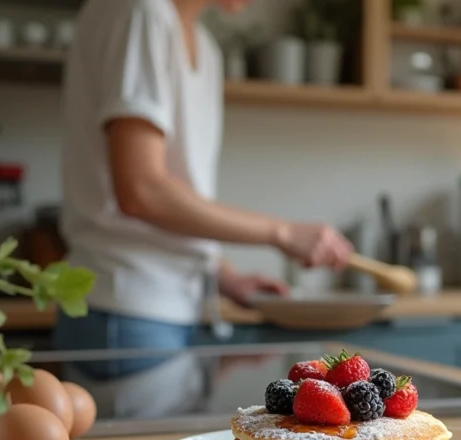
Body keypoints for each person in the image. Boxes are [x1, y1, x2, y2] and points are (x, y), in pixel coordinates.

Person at [55, 0, 353, 362]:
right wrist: (283, 233)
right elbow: (142, 190)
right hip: (126, 309)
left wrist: (223, 275)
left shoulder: (204, 47)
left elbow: (177, 190)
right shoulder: (140, 14)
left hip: (170, 311)